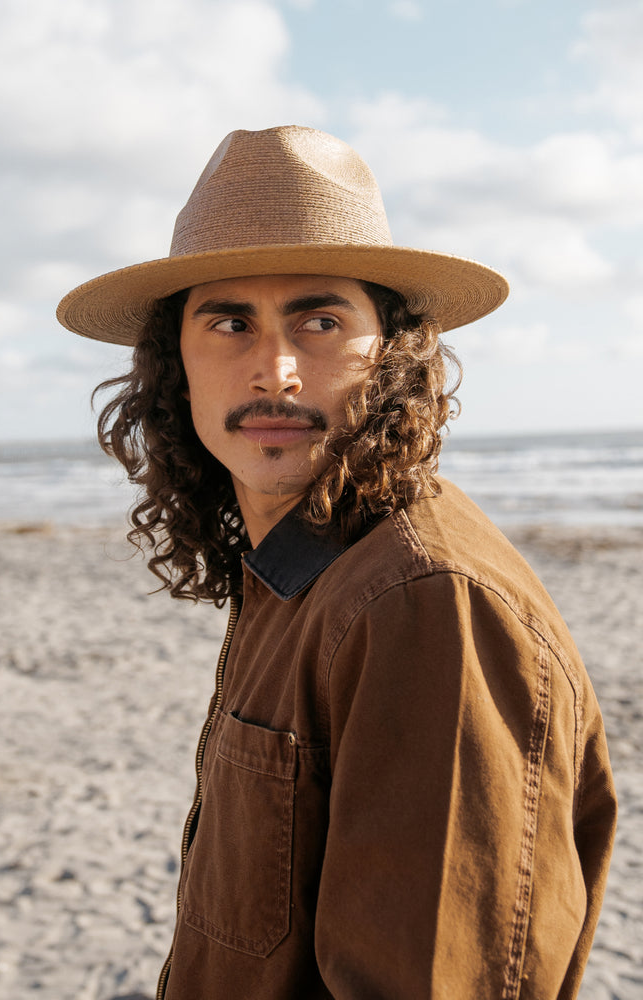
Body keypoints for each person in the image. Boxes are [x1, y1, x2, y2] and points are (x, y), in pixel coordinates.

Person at [57, 126, 616, 1000]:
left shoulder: (425, 602)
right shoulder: (302, 565)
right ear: (177, 364)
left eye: (320, 321)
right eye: (230, 322)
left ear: (392, 353)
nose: (274, 371)